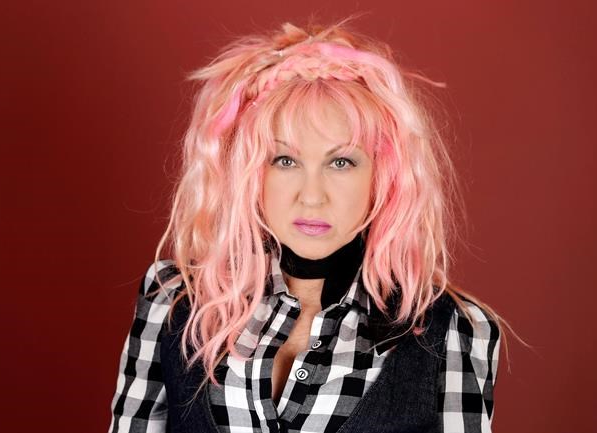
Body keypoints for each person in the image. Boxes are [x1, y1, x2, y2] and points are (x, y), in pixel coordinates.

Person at [109, 19, 506, 433]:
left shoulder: (456, 331)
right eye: (285, 160)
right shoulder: (172, 300)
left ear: (382, 176)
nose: (312, 196)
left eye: (341, 162)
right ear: (248, 172)